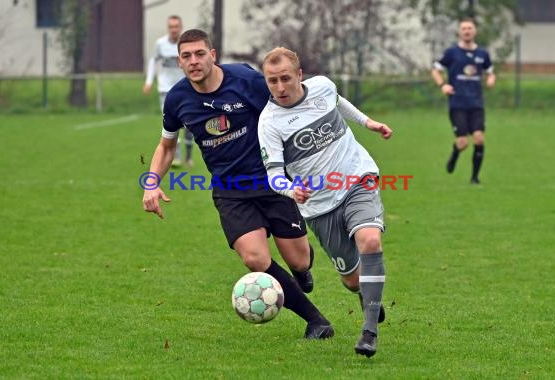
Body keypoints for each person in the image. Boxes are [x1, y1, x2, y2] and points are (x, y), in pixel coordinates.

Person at [142, 29, 334, 339]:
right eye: (187, 56)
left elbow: (285, 112)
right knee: (255, 259)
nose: (194, 61)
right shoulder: (178, 99)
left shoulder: (246, 81)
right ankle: (316, 320)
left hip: (273, 182)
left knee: (299, 259)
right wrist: (151, 183)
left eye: (200, 54)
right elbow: (166, 146)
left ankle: (300, 269)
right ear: (179, 62)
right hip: (231, 192)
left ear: (213, 55)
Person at [257, 47, 392, 358]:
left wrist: (366, 122)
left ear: (300, 75)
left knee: (370, 241)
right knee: (351, 280)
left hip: (357, 177)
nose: (280, 88)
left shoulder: (322, 86)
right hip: (318, 206)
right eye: (272, 81)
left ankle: (369, 330)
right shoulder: (269, 122)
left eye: (286, 79)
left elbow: (336, 101)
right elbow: (274, 175)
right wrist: (292, 190)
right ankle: (364, 293)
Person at [431, 17, 496, 184]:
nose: (467, 31)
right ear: (459, 32)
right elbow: (435, 70)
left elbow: (490, 71)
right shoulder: (452, 53)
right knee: (463, 143)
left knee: (479, 138)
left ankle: (475, 178)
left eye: (470, 28)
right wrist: (443, 85)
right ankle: (455, 154)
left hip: (476, 104)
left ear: (475, 31)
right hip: (457, 104)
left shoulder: (483, 54)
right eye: (464, 28)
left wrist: (491, 79)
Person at [143, 15, 193, 168]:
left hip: (185, 89)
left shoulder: (186, 45)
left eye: (176, 26)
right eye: (171, 27)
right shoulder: (161, 44)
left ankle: (189, 157)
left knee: (189, 123)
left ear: (181, 27)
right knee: (171, 122)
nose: (173, 30)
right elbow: (153, 61)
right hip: (165, 89)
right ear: (168, 28)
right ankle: (176, 157)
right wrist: (149, 81)